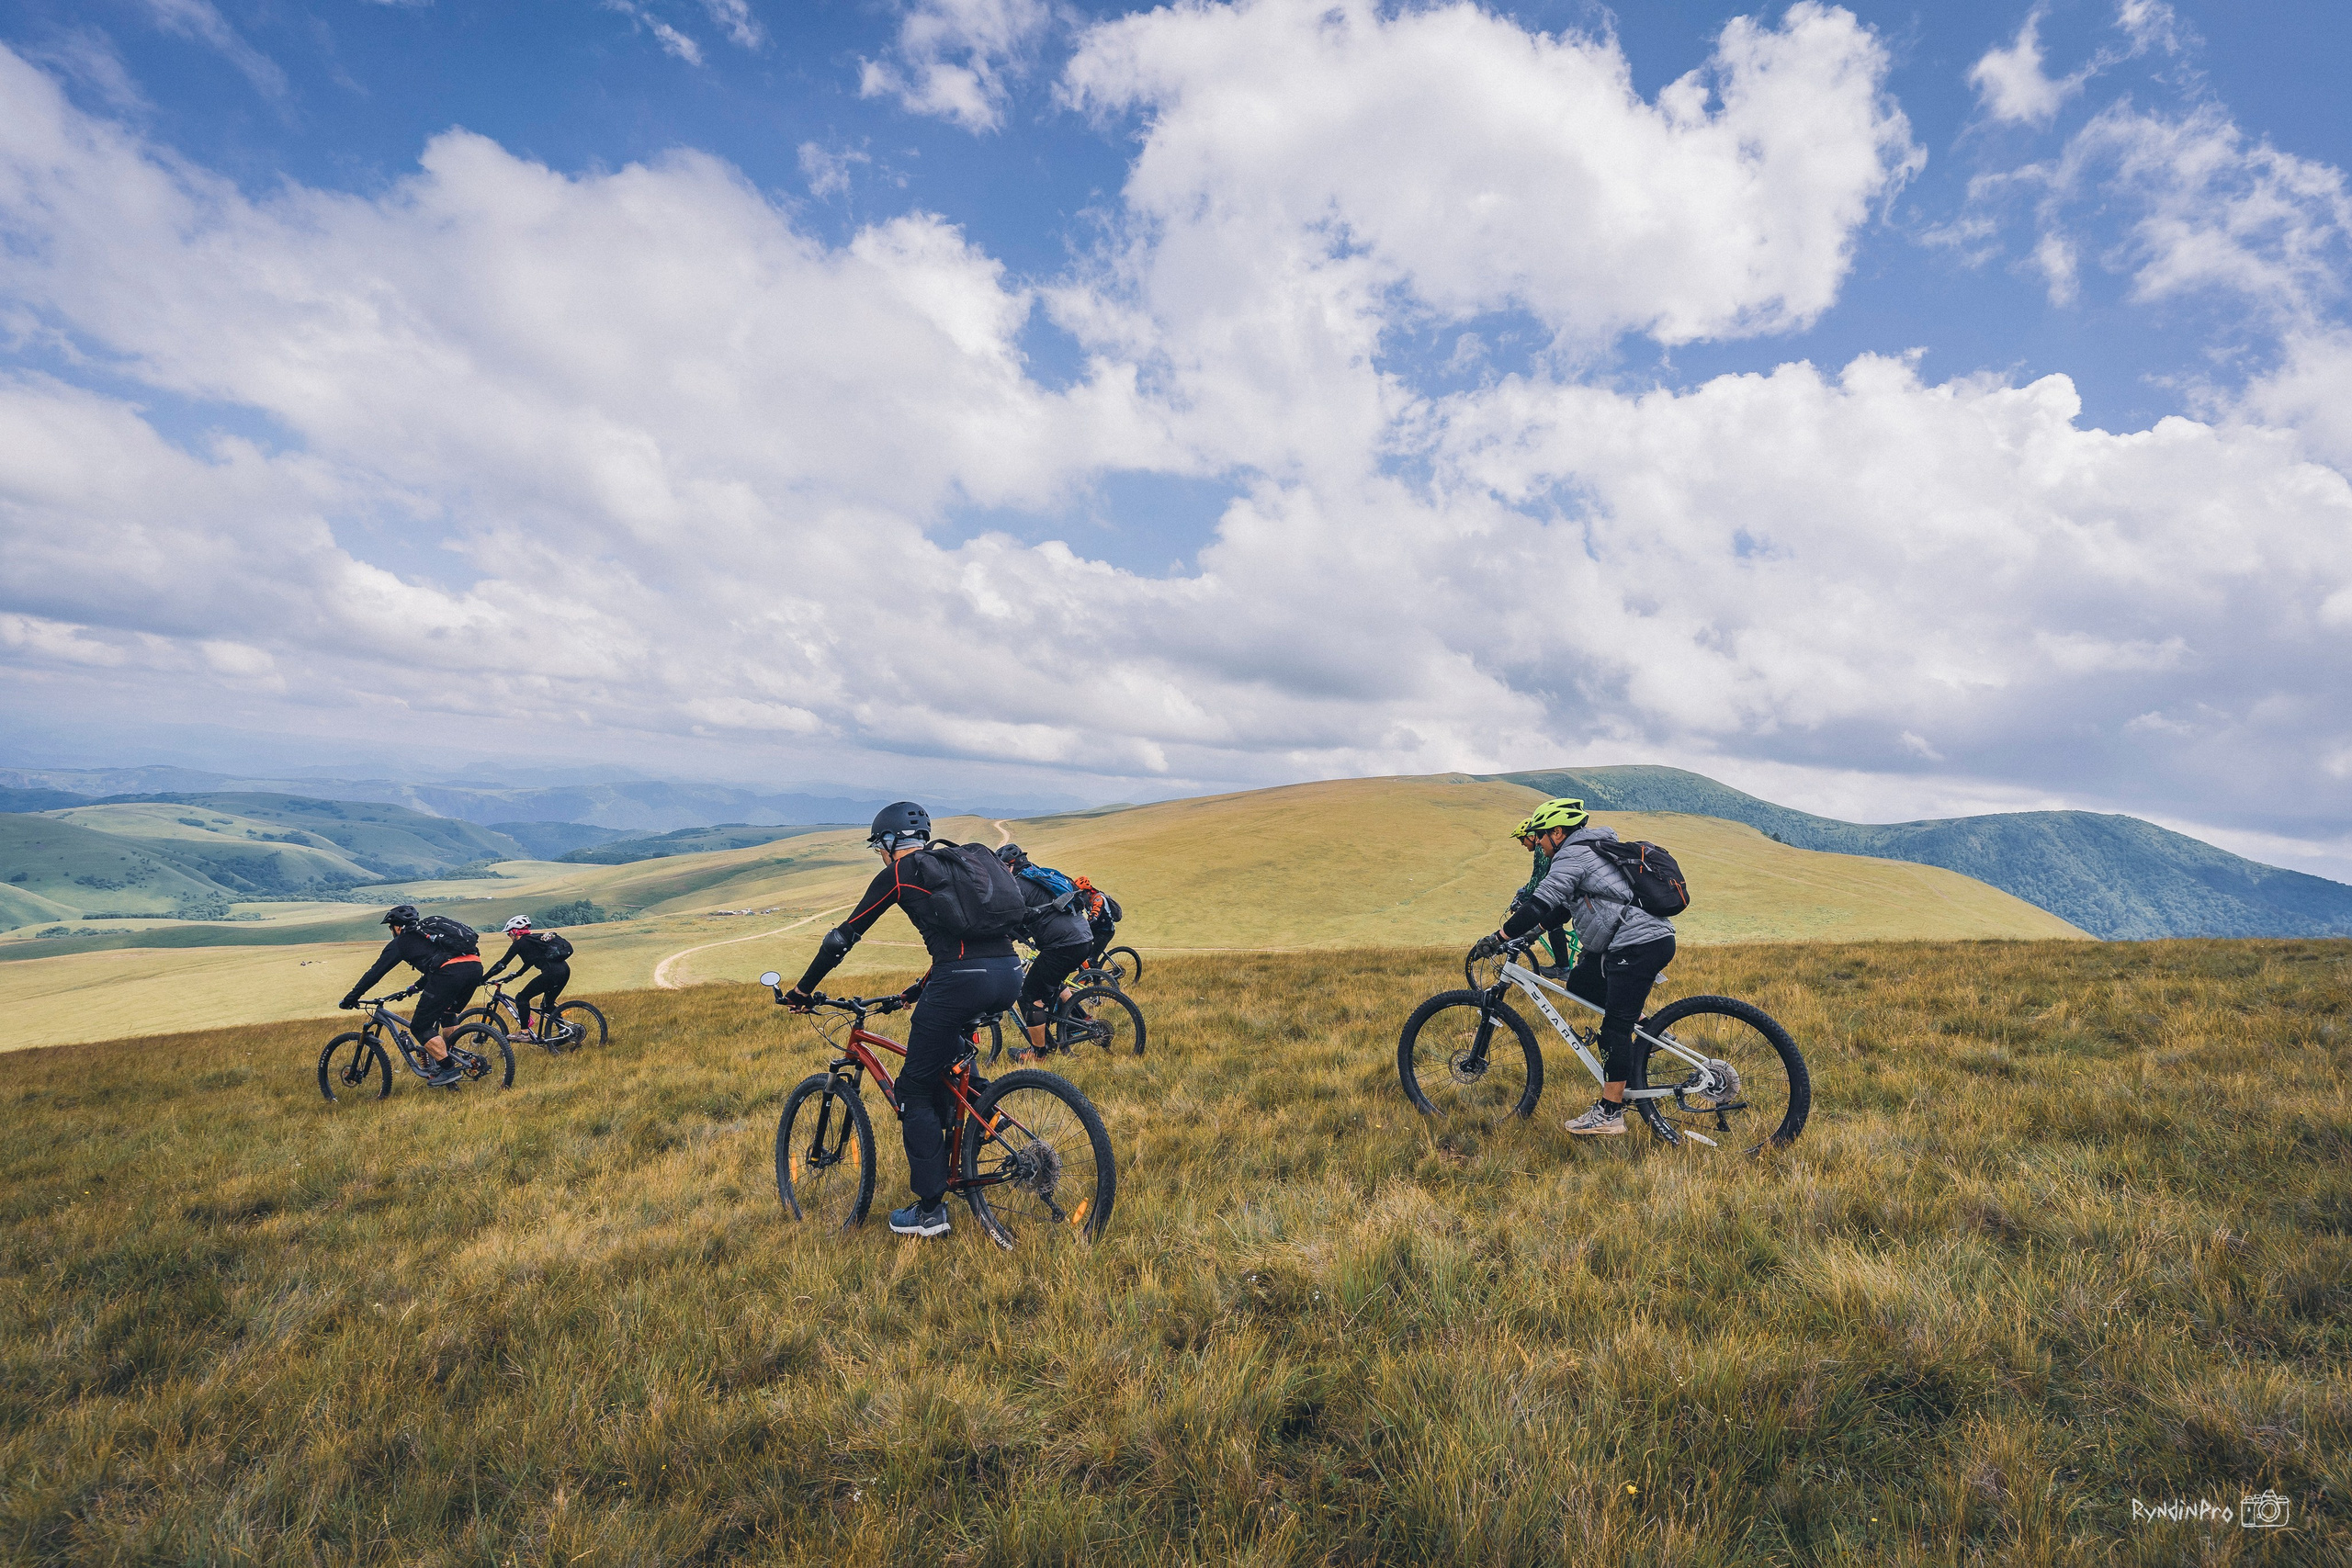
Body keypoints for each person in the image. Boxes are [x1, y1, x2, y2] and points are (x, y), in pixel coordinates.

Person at [782, 802, 1023, 1238]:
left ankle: (930, 1212)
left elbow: (843, 938)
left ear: (891, 842)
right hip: (1009, 976)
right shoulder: (957, 867)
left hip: (959, 982)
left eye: (879, 846)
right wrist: (915, 991)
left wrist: (803, 989)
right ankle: (986, 1117)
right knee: (947, 1059)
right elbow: (960, 943)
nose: (880, 854)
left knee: (913, 1089)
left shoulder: (901, 872)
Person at [1473, 798, 1674, 1137]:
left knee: (1615, 1028)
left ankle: (1609, 1113)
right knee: (1581, 983)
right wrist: (1528, 936)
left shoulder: (1572, 855)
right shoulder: (1587, 852)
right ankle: (1651, 1030)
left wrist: (1498, 937)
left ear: (1557, 832)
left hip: (1637, 943)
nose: (1537, 843)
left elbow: (1539, 904)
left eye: (1540, 835)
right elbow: (1562, 910)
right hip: (1625, 943)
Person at [339, 904, 484, 1088]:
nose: (392, 932)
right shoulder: (430, 935)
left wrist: (351, 998)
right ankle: (450, 1056)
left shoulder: (401, 942)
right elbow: (437, 963)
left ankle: (448, 1069)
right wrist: (415, 987)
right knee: (448, 1013)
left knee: (420, 1026)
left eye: (391, 928)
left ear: (397, 927)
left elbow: (375, 973)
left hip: (449, 974)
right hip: (474, 968)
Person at [996, 843, 1095, 1061]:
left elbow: (1013, 918)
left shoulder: (1018, 886)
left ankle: (1039, 1052)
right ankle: (1081, 1020)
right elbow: (1038, 914)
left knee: (1029, 995)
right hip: (1083, 939)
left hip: (1063, 945)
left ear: (1009, 866)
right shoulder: (1040, 877)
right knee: (1053, 982)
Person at [1510, 814, 1577, 978]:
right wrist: (1525, 890)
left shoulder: (1541, 850)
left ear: (1532, 836)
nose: (1522, 844)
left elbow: (1538, 877)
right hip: (1567, 890)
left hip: (1565, 894)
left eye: (1522, 839)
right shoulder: (1546, 847)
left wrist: (1523, 900)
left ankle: (1562, 967)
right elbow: (1541, 877)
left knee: (1551, 922)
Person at [482, 915, 572, 1038]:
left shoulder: (519, 944)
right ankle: (564, 1032)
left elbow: (501, 964)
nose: (509, 937)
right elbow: (530, 961)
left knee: (521, 998)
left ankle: (524, 1033)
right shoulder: (533, 940)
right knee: (548, 1005)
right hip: (564, 971)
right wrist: (516, 975)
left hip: (552, 973)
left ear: (514, 932)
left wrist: (483, 979)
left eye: (509, 934)